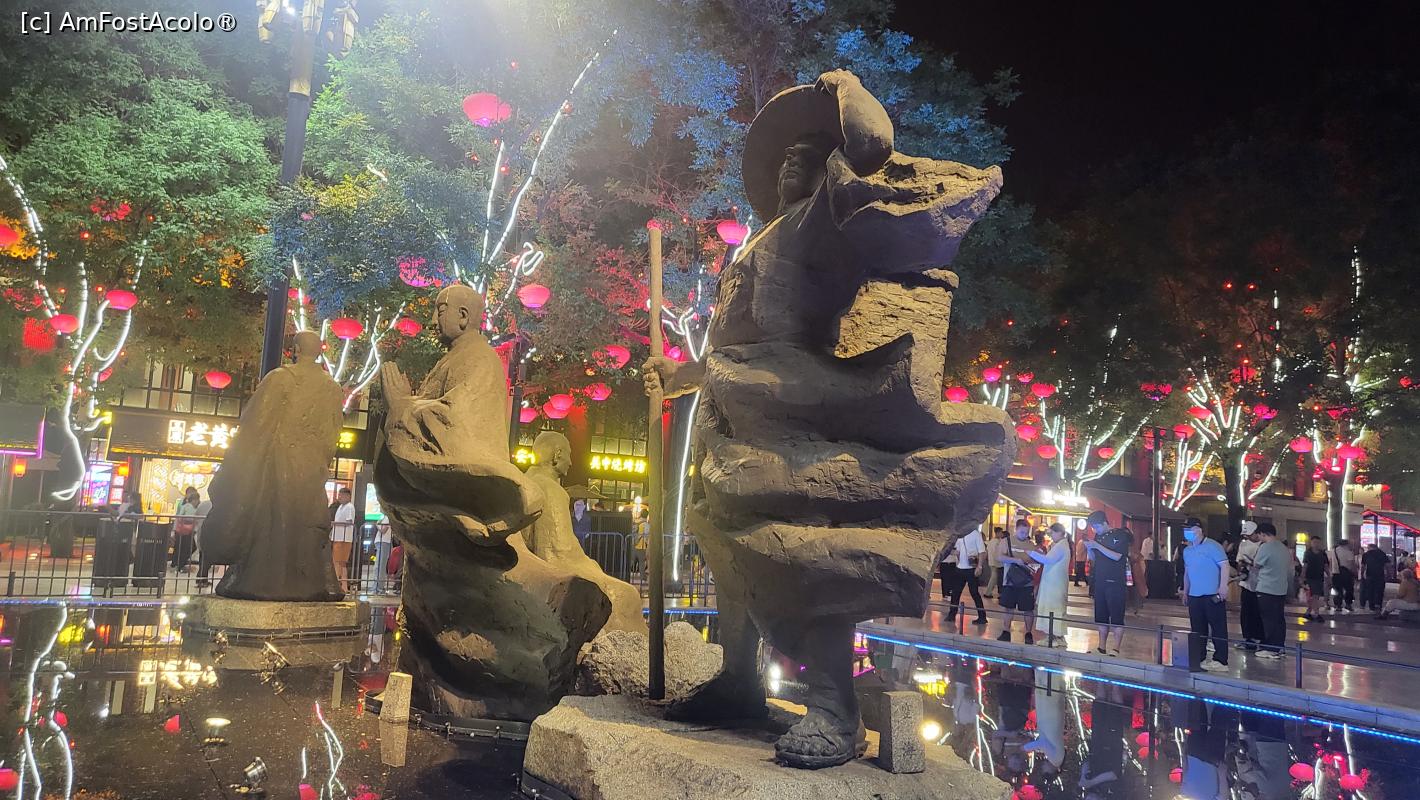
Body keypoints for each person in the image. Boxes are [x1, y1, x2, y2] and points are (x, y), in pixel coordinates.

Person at [1180, 517, 1230, 673]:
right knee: (1197, 628)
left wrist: (1223, 586)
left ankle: (1221, 660)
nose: (1187, 532)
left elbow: (1225, 566)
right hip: (1195, 594)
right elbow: (1187, 572)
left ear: (1199, 529)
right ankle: (1198, 657)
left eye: (1189, 529)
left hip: (1212, 593)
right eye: (1185, 529)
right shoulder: (1187, 551)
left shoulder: (1213, 546)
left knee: (1218, 627)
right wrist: (1185, 591)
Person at [1084, 510, 1131, 656]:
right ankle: (1101, 647)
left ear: (1104, 523)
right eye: (1093, 527)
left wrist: (1097, 546)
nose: (1095, 530)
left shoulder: (1120, 535)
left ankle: (1116, 648)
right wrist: (1090, 549)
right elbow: (1095, 558)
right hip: (1100, 580)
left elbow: (1117, 556)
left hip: (1115, 581)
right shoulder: (1098, 537)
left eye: (1097, 526)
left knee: (1116, 616)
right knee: (1101, 615)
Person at [997, 520, 1041, 644]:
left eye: (1026, 532)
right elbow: (999, 557)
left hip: (1027, 582)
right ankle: (1006, 631)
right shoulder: (1006, 541)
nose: (1024, 535)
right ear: (1015, 529)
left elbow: (1037, 562)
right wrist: (1015, 560)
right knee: (1008, 607)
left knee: (1028, 609)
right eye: (1022, 532)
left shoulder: (1031, 545)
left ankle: (1028, 633)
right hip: (1010, 581)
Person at [1249, 523, 1289, 659]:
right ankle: (1280, 647)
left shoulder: (1265, 547)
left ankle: (1271, 648)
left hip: (1267, 588)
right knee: (1279, 619)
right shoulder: (1283, 547)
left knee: (1268, 620)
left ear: (1263, 533)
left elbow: (1256, 564)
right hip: (1281, 588)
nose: (1259, 537)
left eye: (1259, 535)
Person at [1030, 522, 1072, 647]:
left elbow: (1048, 560)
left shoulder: (1061, 546)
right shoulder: (1061, 545)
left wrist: (1031, 553)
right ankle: (1058, 636)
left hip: (1054, 584)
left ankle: (1052, 637)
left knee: (1052, 609)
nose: (1051, 536)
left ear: (1059, 532)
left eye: (1052, 533)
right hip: (1055, 582)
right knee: (1056, 609)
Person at [944, 525, 989, 625]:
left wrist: (979, 566)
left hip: (971, 569)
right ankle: (952, 614)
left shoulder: (975, 534)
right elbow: (958, 551)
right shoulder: (960, 535)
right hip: (960, 568)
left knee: (974, 593)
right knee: (955, 593)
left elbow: (982, 551)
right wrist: (948, 551)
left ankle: (982, 617)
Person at [1235, 520, 1262, 651]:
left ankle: (1260, 638)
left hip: (1261, 584)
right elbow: (1239, 561)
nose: (1248, 537)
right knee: (1246, 612)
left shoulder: (1263, 545)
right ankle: (1248, 639)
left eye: (1250, 534)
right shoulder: (1243, 544)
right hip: (1247, 583)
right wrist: (1241, 568)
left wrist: (1250, 563)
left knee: (1259, 613)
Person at [331, 487, 355, 590]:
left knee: (340, 562)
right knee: (339, 562)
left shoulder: (349, 507)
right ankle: (342, 585)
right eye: (339, 495)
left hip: (344, 538)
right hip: (338, 537)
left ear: (347, 496)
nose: (339, 497)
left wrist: (335, 523)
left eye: (341, 495)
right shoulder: (340, 507)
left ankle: (340, 585)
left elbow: (349, 522)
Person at [1301, 537, 1330, 621]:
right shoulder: (1308, 553)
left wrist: (1329, 576)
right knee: (1314, 596)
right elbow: (1305, 566)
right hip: (1310, 577)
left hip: (1319, 577)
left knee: (1315, 596)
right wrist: (1302, 577)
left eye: (1317, 542)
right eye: (1314, 542)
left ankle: (1308, 612)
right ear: (1311, 543)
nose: (1316, 544)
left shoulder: (1323, 554)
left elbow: (1326, 566)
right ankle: (1316, 614)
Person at [173, 487, 201, 572]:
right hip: (186, 530)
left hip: (185, 530)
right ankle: (180, 564)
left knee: (185, 547)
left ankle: (180, 564)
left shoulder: (187, 506)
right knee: (189, 547)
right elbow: (180, 517)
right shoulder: (187, 506)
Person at [1360, 543, 1390, 613]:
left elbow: (1363, 566)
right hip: (1380, 575)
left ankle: (1371, 606)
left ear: (1370, 547)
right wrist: (1388, 574)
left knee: (1370, 590)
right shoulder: (1382, 553)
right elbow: (1387, 565)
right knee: (1379, 590)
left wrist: (1362, 574)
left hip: (1369, 575)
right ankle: (1378, 605)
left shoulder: (1366, 554)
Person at [1330, 538, 1357, 613]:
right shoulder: (1349, 552)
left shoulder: (1333, 551)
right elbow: (1351, 564)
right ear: (1346, 544)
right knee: (1349, 589)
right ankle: (1348, 604)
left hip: (1335, 573)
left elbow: (1330, 562)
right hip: (1346, 574)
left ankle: (1338, 605)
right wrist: (1355, 573)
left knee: (1337, 590)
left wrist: (1331, 572)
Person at [980, 527, 1004, 599]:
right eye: (1001, 532)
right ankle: (988, 592)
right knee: (994, 578)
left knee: (994, 577)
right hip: (997, 562)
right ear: (998, 533)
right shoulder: (998, 542)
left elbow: (987, 552)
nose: (1002, 534)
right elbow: (998, 552)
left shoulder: (991, 541)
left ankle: (989, 592)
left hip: (991, 561)